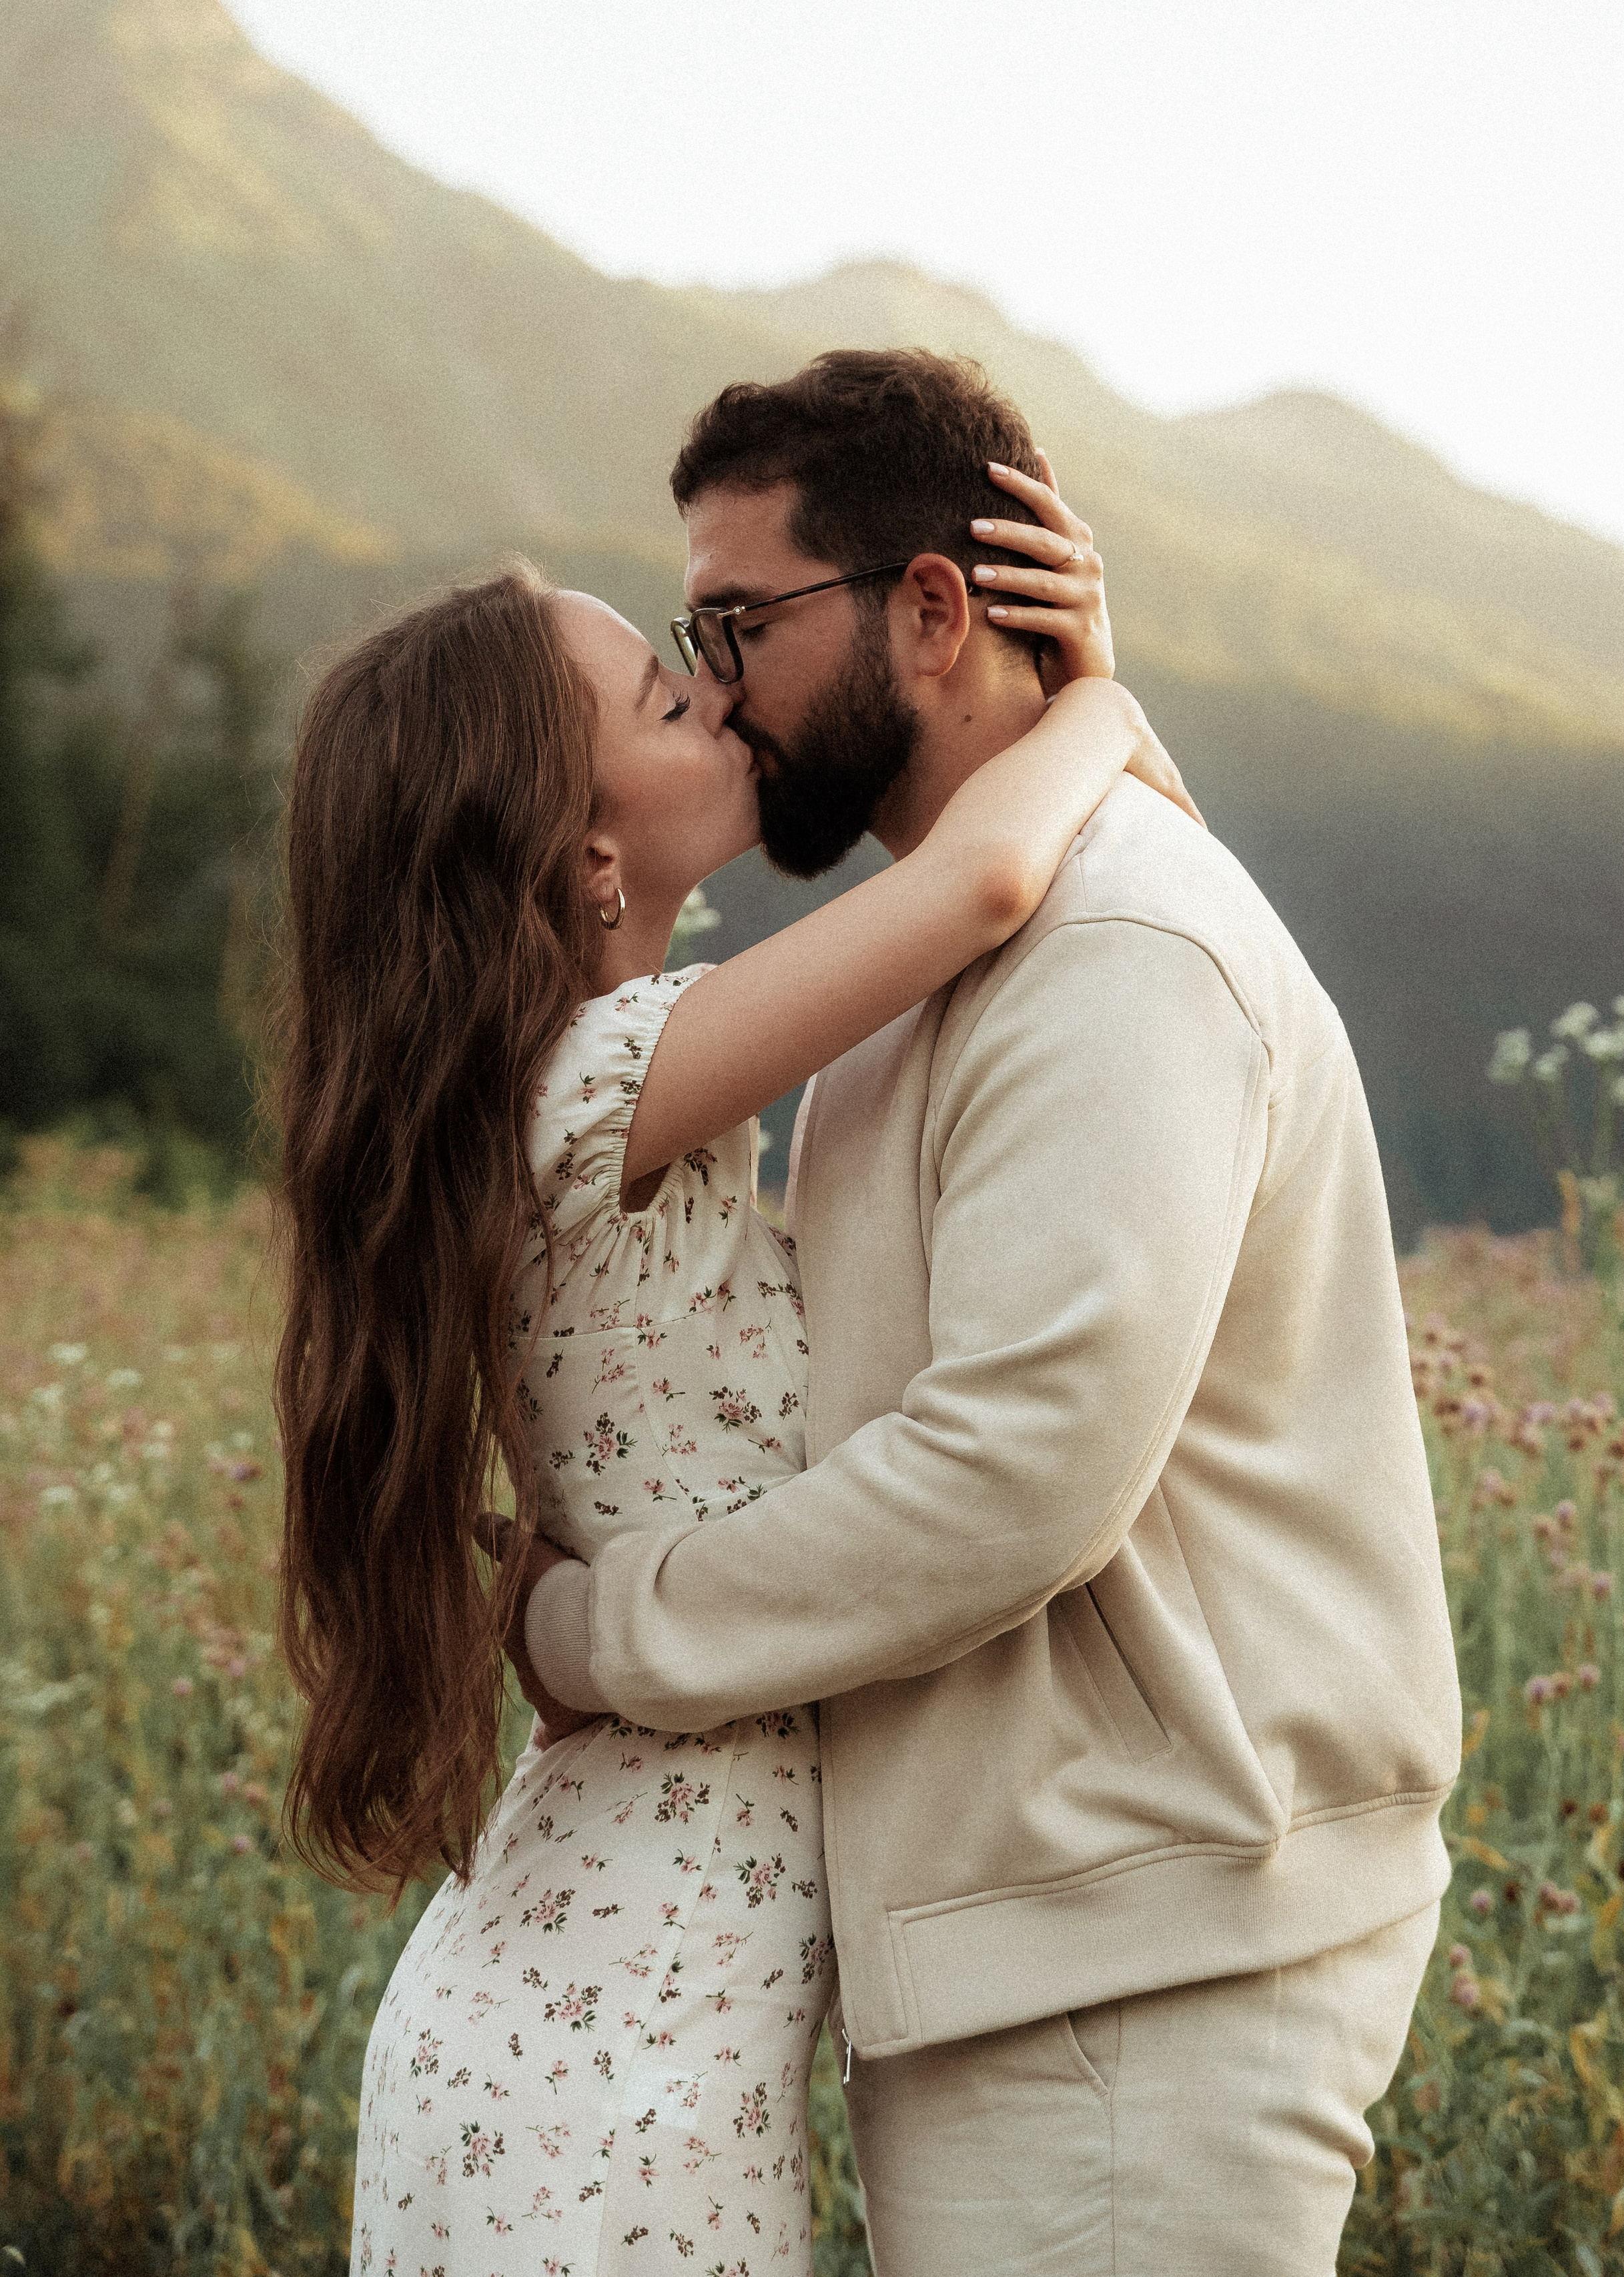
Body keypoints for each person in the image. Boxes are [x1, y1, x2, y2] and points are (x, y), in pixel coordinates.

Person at [504, 350, 1464, 2276]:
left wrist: (593, 1630)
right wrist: (1100, 708)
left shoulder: (1110, 946)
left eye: (740, 621)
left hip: (1144, 1951)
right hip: (1046, 1930)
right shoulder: (933, 966)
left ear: (929, 611)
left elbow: (1016, 1473)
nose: (719, 686)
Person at [271, 445, 1197, 2272]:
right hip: (615, 2067)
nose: (715, 687)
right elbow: (1006, 876)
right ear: (585, 849)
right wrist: (1094, 687)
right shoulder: (598, 1078)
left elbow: (1125, 888)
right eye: (659, 688)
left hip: (590, 2016)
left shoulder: (577, 1086)